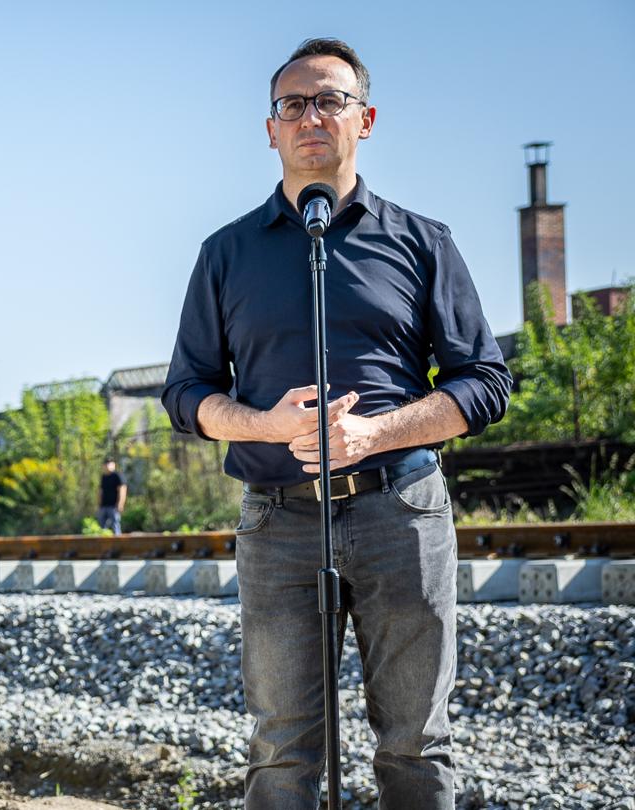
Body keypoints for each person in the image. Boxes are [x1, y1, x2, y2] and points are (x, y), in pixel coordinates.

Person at [160, 39, 511, 809]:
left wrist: (376, 434)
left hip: (402, 514)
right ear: (271, 129)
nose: (311, 116)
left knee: (416, 743)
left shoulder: (422, 243)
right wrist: (260, 423)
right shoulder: (225, 255)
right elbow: (184, 391)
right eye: (294, 104)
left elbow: (484, 383)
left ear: (367, 119)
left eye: (331, 101)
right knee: (280, 748)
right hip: (278, 524)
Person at [96, 459, 126, 535]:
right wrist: (99, 504)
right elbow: (100, 491)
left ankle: (118, 544)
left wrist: (120, 504)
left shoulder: (117, 476)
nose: (107, 466)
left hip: (113, 506)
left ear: (114, 465)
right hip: (104, 506)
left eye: (109, 463)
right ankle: (103, 545)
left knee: (115, 526)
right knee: (102, 526)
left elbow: (122, 490)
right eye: (106, 464)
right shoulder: (104, 477)